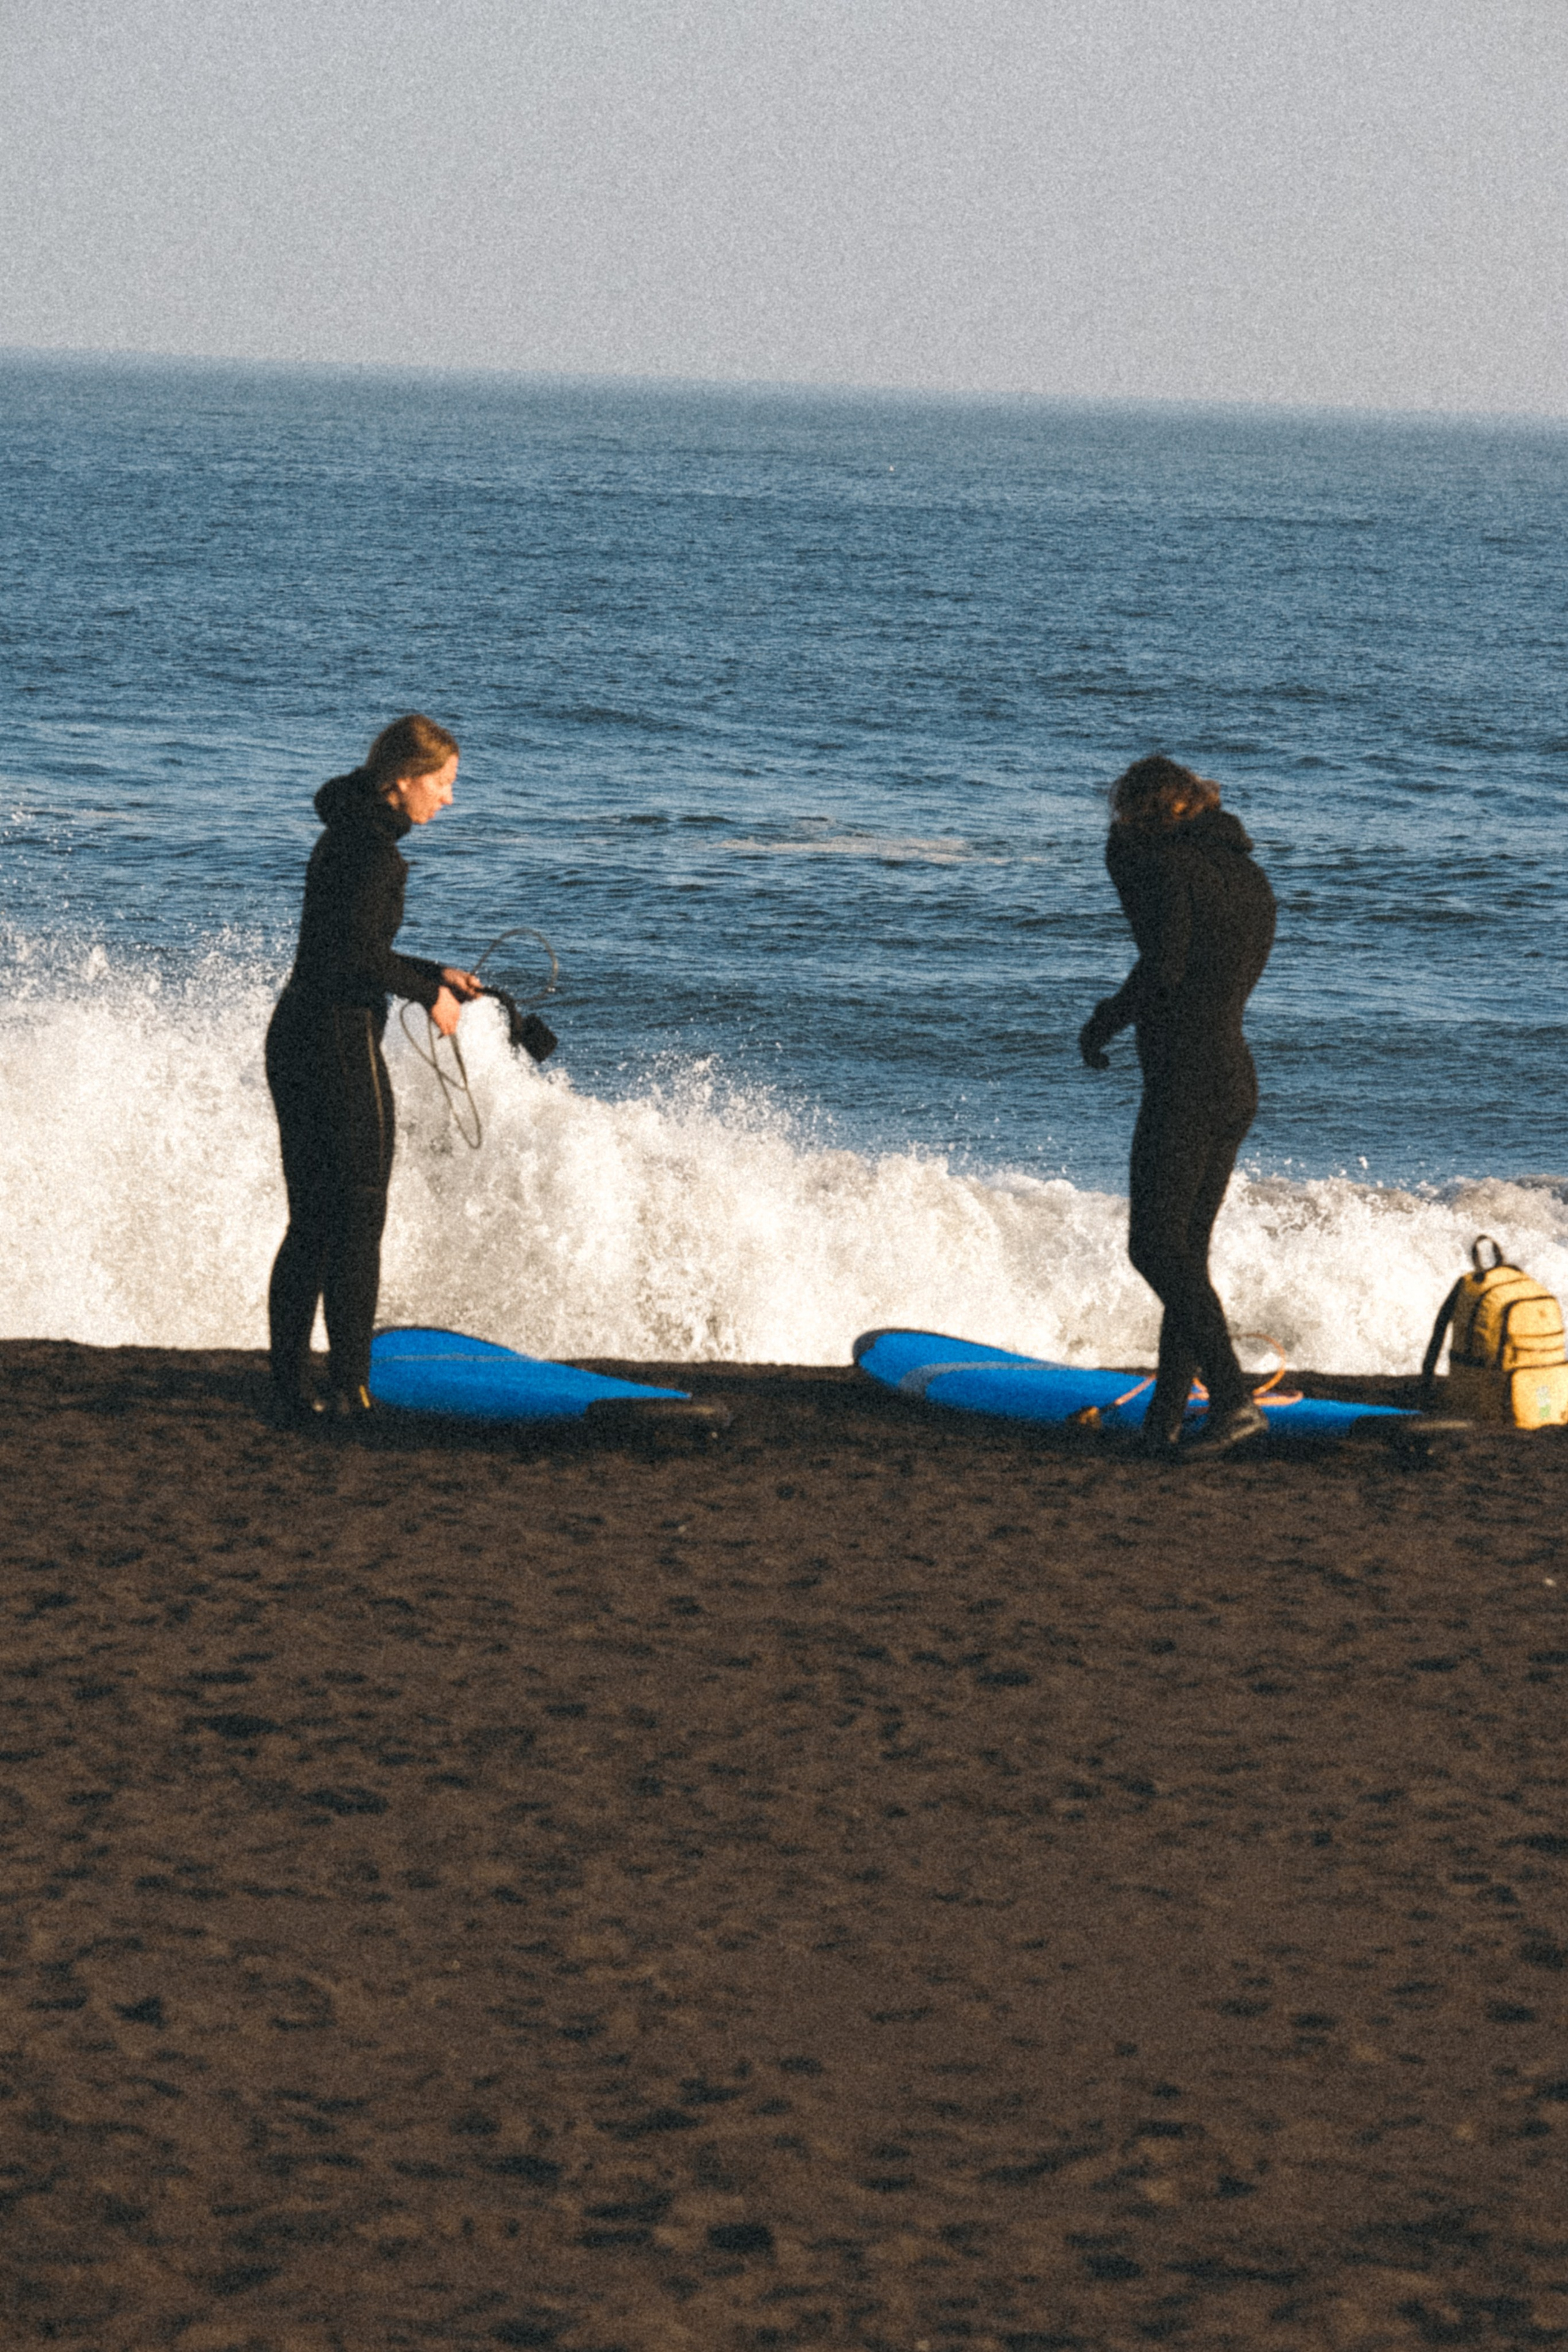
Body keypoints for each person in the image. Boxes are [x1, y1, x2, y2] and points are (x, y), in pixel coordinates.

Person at [265, 714, 481, 1422]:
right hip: (336, 1039)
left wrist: (432, 972)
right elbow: (355, 960)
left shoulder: (348, 833)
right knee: (358, 1216)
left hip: (299, 1031)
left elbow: (344, 947)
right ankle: (351, 1387)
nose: (448, 799)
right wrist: (430, 997)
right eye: (442, 783)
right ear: (402, 782)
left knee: (314, 1221)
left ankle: (291, 1386)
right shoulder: (374, 855)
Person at [1078, 755, 1276, 1459]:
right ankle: (1165, 1415)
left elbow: (1161, 965)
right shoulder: (1246, 875)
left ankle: (1231, 1400)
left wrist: (1103, 1021)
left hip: (1186, 1078)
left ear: (1144, 812)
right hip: (1233, 1077)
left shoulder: (1165, 867)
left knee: (1154, 1248)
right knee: (1185, 1254)